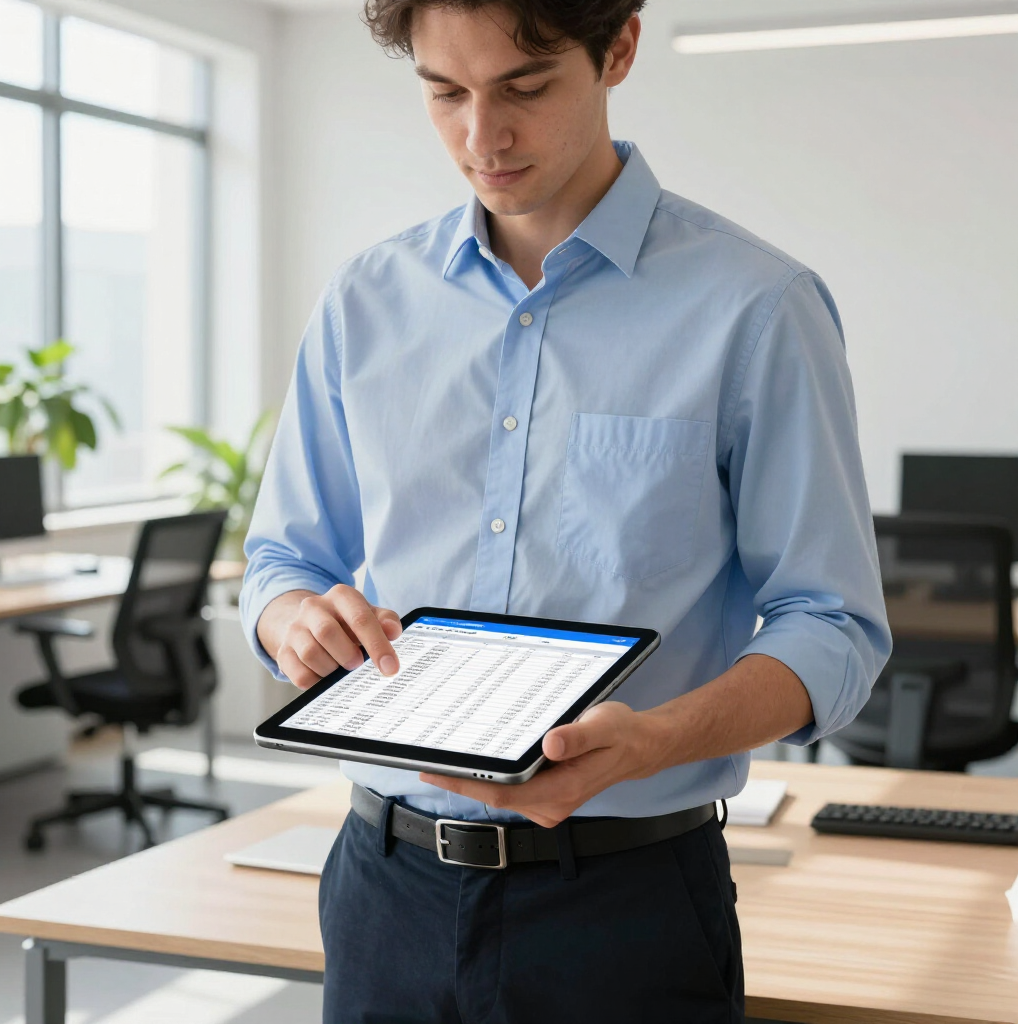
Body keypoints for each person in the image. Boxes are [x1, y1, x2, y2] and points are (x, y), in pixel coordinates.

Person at [241, 1, 891, 1020]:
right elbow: (284, 554)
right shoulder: (363, 300)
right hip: (383, 886)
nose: (480, 136)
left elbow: (834, 624)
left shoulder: (756, 308)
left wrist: (657, 737)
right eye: (444, 92)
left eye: (525, 88)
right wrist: (293, 617)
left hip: (624, 905)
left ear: (618, 48)